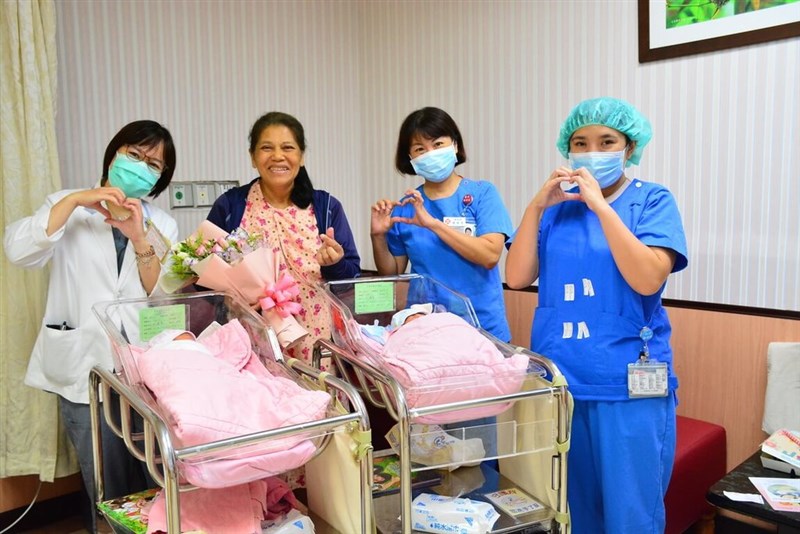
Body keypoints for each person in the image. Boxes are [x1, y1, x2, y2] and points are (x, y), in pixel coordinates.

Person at [505, 97, 688, 533]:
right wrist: (535, 207)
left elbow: (648, 279)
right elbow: (516, 277)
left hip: (628, 383)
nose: (593, 151)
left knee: (631, 514)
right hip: (562, 381)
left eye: (607, 141)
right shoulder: (555, 211)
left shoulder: (652, 201)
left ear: (629, 148)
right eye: (580, 142)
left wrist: (601, 208)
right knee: (571, 509)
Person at [4, 120, 179, 531]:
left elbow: (163, 296)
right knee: (102, 481)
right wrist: (76, 201)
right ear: (114, 153)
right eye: (134, 154)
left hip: (143, 371)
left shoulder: (161, 224)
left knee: (151, 472)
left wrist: (139, 237)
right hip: (84, 369)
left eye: (153, 164)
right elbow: (18, 251)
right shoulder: (67, 204)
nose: (141, 166)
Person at [206, 111, 360, 368]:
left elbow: (349, 279)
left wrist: (334, 262)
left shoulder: (326, 207)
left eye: (287, 147)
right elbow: (205, 276)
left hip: (318, 343)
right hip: (252, 339)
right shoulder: (231, 205)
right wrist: (231, 298)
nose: (277, 156)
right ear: (253, 157)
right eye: (267, 148)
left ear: (301, 156)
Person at [370, 106, 513, 342]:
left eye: (437, 144)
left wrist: (433, 224)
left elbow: (489, 255)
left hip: (482, 327)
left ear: (455, 145)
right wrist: (377, 236)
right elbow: (392, 273)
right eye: (419, 149)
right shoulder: (406, 207)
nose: (430, 153)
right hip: (428, 329)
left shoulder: (482, 194)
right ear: (411, 159)